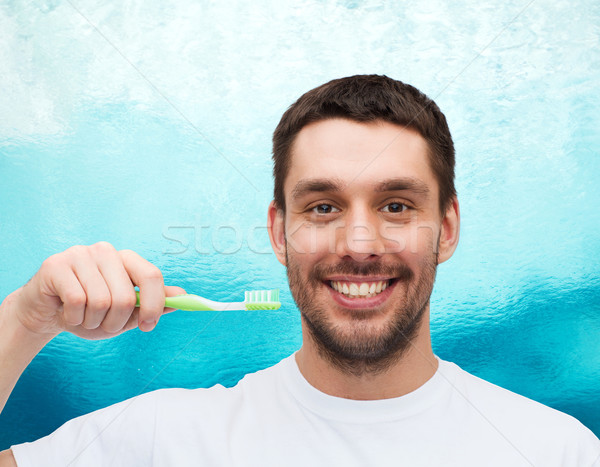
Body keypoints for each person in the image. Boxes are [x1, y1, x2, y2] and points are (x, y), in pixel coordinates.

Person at [0, 75, 598, 466]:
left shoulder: (556, 450)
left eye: (395, 205)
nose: (359, 243)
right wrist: (26, 319)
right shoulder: (160, 441)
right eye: (323, 207)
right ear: (278, 233)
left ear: (446, 228)